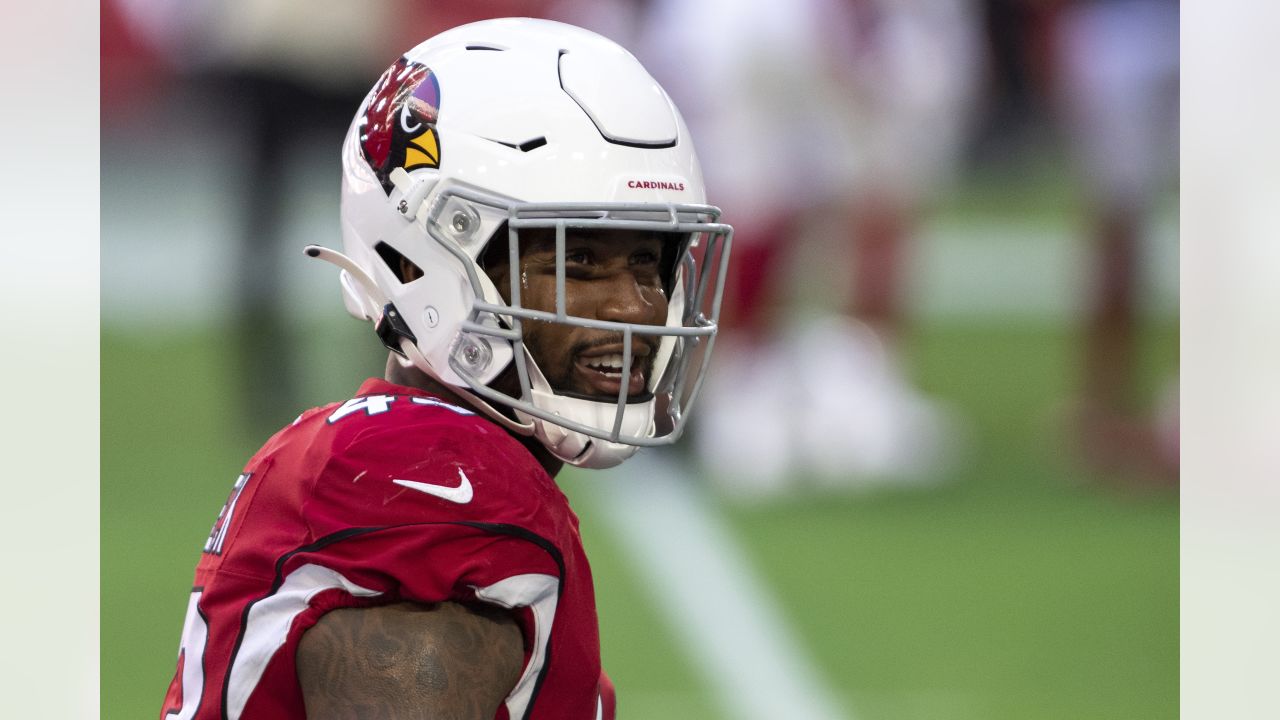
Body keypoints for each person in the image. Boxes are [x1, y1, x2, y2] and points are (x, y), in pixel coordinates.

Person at [158, 18, 732, 719]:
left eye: (649, 260)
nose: (637, 307)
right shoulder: (430, 486)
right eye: (577, 261)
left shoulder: (417, 455)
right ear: (416, 261)